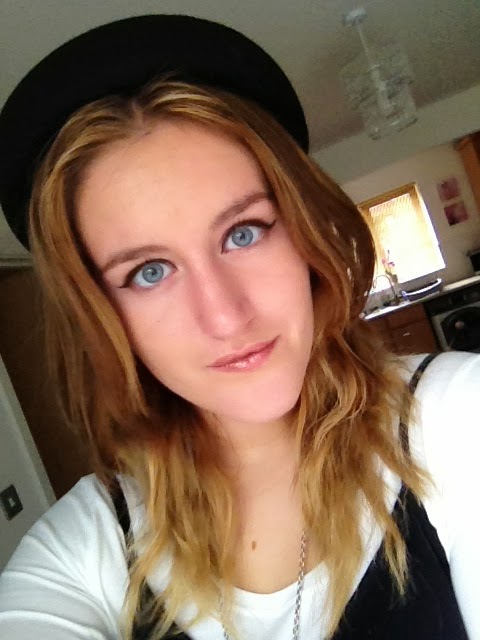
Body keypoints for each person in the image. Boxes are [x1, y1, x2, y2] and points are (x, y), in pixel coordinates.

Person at [0, 14, 478, 640]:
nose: (225, 315)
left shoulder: (453, 416)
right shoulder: (85, 552)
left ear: (305, 232)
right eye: (148, 272)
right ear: (101, 314)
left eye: (243, 233)